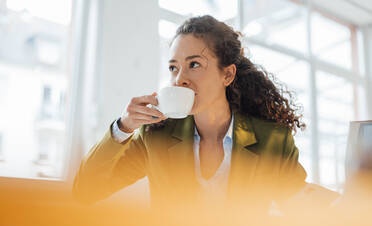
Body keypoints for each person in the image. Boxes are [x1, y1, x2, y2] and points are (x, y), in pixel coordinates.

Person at [73, 15, 307, 212]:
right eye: (173, 67)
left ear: (227, 75)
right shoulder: (155, 137)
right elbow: (85, 192)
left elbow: (303, 211)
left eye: (194, 64)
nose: (179, 79)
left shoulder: (273, 140)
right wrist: (122, 128)